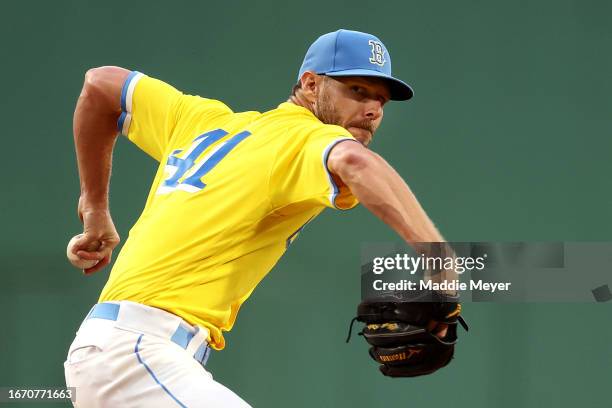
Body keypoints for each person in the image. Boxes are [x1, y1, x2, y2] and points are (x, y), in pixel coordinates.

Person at [65, 29, 449, 407]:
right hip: (135, 355)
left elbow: (101, 85)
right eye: (358, 91)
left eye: (381, 100)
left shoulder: (203, 122)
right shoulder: (300, 137)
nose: (373, 110)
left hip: (130, 356)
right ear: (311, 85)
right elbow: (353, 162)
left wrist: (95, 210)